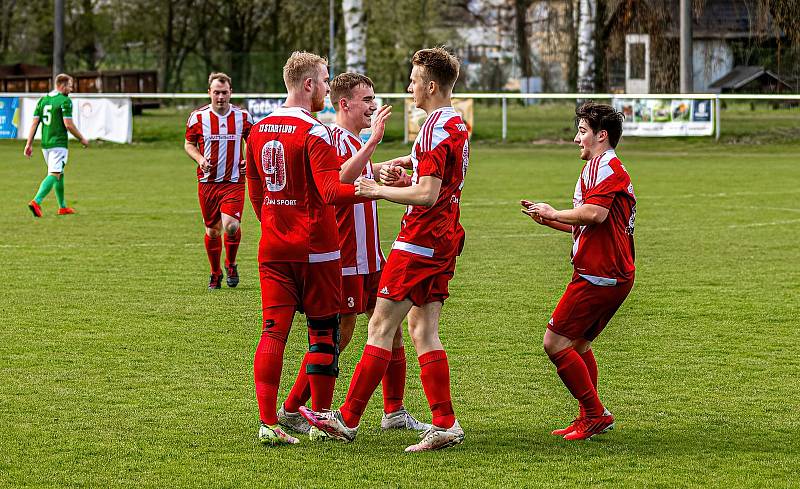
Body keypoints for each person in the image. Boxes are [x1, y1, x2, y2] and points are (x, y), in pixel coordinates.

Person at [300, 47, 470, 452]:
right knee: (422, 330)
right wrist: (401, 170)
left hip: (420, 240)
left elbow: (427, 194)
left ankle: (346, 418)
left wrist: (378, 188)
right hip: (444, 237)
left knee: (379, 326)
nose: (409, 87)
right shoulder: (456, 125)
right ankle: (445, 422)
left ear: (430, 86)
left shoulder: (430, 127)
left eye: (413, 81)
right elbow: (435, 177)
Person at [276, 72, 428, 436]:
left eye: (374, 97)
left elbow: (361, 173)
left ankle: (394, 411)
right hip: (343, 259)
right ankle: (293, 407)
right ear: (344, 104)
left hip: (371, 258)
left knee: (390, 330)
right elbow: (341, 179)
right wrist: (374, 145)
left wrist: (385, 172)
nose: (373, 105)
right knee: (339, 334)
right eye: (366, 100)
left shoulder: (352, 141)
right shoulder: (328, 138)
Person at [245, 51, 371, 446]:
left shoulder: (258, 129)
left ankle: (269, 423)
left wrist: (274, 224)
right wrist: (378, 190)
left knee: (273, 332)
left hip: (274, 247)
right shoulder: (314, 132)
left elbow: (256, 194)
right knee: (323, 333)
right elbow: (332, 191)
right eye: (325, 80)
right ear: (308, 85)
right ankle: (319, 418)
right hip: (316, 249)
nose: (328, 88)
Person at [520, 102, 635, 441]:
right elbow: (590, 225)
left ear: (602, 136)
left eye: (582, 132)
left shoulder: (608, 169)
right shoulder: (596, 167)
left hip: (600, 274)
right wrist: (551, 219)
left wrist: (555, 210)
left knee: (555, 343)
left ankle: (596, 413)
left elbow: (595, 215)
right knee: (580, 344)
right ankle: (591, 414)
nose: (576, 139)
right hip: (606, 272)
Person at [185, 72, 253, 290]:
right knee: (213, 231)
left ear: (230, 92)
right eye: (216, 92)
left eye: (224, 92)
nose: (221, 97)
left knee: (231, 226)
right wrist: (200, 158)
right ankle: (215, 272)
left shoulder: (243, 117)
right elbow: (189, 144)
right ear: (209, 93)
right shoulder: (197, 118)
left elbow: (251, 142)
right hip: (207, 183)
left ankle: (231, 264)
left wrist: (247, 159)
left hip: (233, 182)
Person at [24, 73, 88, 217]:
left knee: (59, 173)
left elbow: (35, 122)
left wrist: (29, 144)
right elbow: (69, 125)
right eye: (70, 86)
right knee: (54, 174)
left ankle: (62, 207)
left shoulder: (43, 100)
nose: (72, 89)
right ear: (63, 85)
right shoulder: (65, 101)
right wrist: (82, 139)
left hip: (45, 144)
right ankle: (36, 201)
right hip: (58, 144)